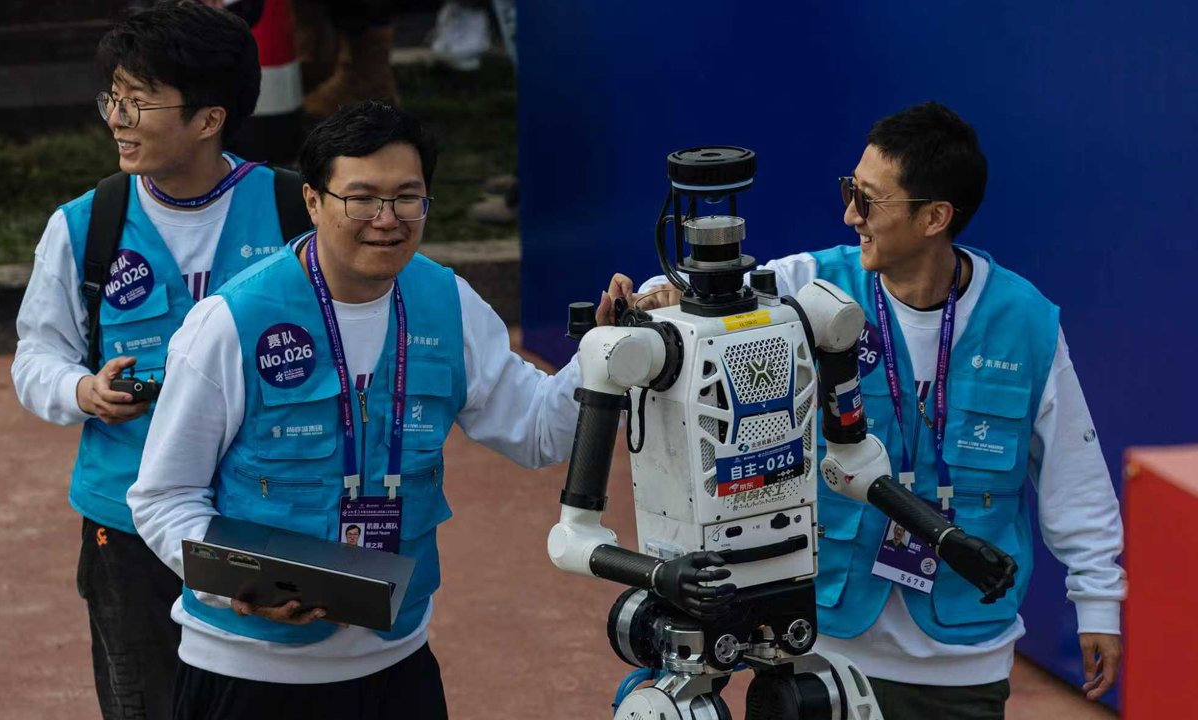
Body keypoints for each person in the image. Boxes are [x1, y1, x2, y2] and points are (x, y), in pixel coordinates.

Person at [622, 101, 1124, 718]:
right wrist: (657, 295)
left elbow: (1074, 476)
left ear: (935, 216)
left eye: (870, 200)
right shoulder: (811, 287)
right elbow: (713, 298)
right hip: (822, 650)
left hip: (961, 662)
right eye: (849, 191)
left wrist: (1098, 600)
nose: (850, 214)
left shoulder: (1028, 324)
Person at [127, 100, 590, 718]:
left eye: (408, 197)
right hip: (247, 674)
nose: (387, 219)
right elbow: (162, 497)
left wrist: (608, 354)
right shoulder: (231, 323)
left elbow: (540, 433)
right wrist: (240, 581)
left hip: (396, 665)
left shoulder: (445, 301)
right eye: (362, 197)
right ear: (314, 202)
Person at [9, 3, 299, 718]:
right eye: (113, 96)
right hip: (126, 523)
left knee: (276, 700)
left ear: (209, 118)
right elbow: (36, 354)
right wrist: (83, 390)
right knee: (147, 704)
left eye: (141, 101)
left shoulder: (298, 211)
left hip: (265, 511)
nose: (118, 118)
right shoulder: (86, 223)